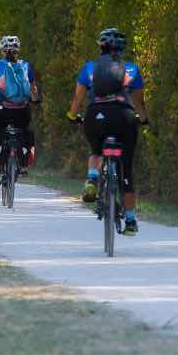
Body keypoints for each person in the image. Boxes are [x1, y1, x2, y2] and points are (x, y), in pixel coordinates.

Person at [67, 28, 148, 237]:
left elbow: (77, 100)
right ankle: (130, 220)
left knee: (96, 150)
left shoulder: (89, 68)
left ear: (100, 47)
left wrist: (72, 116)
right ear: (122, 49)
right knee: (127, 168)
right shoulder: (131, 69)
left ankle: (92, 179)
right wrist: (144, 119)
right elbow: (139, 102)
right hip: (124, 116)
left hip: (96, 115)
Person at [0, 36, 41, 188]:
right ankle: (24, 165)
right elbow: (33, 90)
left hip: (3, 109)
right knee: (26, 133)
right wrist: (35, 99)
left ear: (2, 51)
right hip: (22, 109)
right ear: (18, 50)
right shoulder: (26, 66)